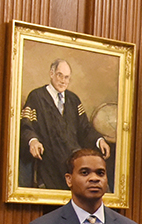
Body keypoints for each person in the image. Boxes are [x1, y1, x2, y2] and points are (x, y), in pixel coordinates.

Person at [20, 59, 111, 189]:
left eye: (67, 77)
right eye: (59, 75)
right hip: (49, 158)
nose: (63, 80)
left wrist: (99, 140)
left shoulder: (73, 100)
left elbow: (84, 128)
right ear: (51, 74)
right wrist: (33, 141)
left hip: (74, 158)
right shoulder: (36, 97)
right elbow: (26, 125)